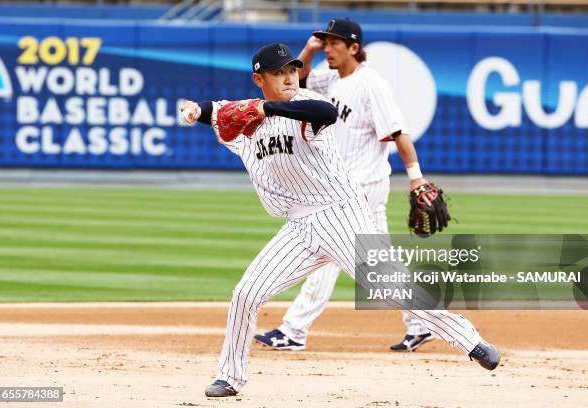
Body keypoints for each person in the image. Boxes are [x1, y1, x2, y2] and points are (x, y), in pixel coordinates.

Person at [181, 42, 499, 398]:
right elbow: (214, 111)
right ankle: (230, 376)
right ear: (259, 78)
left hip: (340, 212)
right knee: (245, 293)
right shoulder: (245, 120)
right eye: (279, 73)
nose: (289, 77)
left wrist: (266, 107)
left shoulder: (304, 106)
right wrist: (195, 110)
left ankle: (471, 341)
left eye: (291, 70)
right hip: (299, 226)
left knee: (391, 289)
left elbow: (326, 112)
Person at [253, 18, 441, 353]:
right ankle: (423, 322)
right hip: (343, 189)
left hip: (363, 187)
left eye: (334, 43)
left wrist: (416, 177)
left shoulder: (372, 85)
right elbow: (296, 84)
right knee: (381, 264)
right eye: (325, 42)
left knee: (327, 256)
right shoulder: (331, 77)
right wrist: (307, 51)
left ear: (354, 47)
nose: (328, 48)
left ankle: (294, 330)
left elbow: (399, 133)